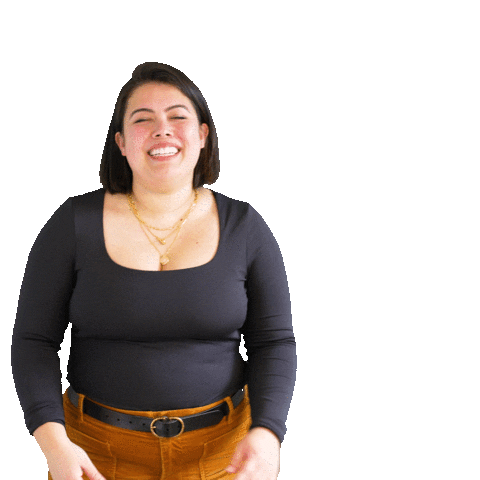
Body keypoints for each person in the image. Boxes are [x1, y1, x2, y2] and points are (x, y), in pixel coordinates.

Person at [11, 62, 296, 480]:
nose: (162, 130)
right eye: (143, 120)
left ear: (203, 135)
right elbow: (33, 341)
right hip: (92, 453)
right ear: (121, 143)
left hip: (224, 455)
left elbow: (274, 342)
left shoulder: (246, 226)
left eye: (177, 117)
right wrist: (54, 444)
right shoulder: (72, 223)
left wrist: (267, 434)